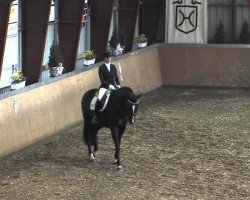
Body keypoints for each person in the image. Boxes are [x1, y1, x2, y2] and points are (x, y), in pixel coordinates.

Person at [92, 51, 121, 124]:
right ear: (105, 58)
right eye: (108, 58)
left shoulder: (113, 66)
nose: (109, 59)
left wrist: (118, 84)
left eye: (110, 57)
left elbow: (116, 77)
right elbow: (102, 80)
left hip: (114, 86)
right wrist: (109, 85)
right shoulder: (101, 68)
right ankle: (97, 116)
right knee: (99, 98)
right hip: (104, 86)